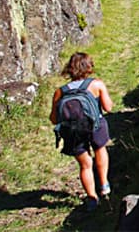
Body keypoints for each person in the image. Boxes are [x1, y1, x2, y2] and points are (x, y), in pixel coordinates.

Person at [50, 52, 113, 210]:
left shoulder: (60, 92)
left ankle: (92, 198)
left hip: (72, 132)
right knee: (100, 150)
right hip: (95, 126)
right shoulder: (96, 84)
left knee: (85, 165)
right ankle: (104, 184)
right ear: (88, 67)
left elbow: (54, 119)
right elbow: (108, 107)